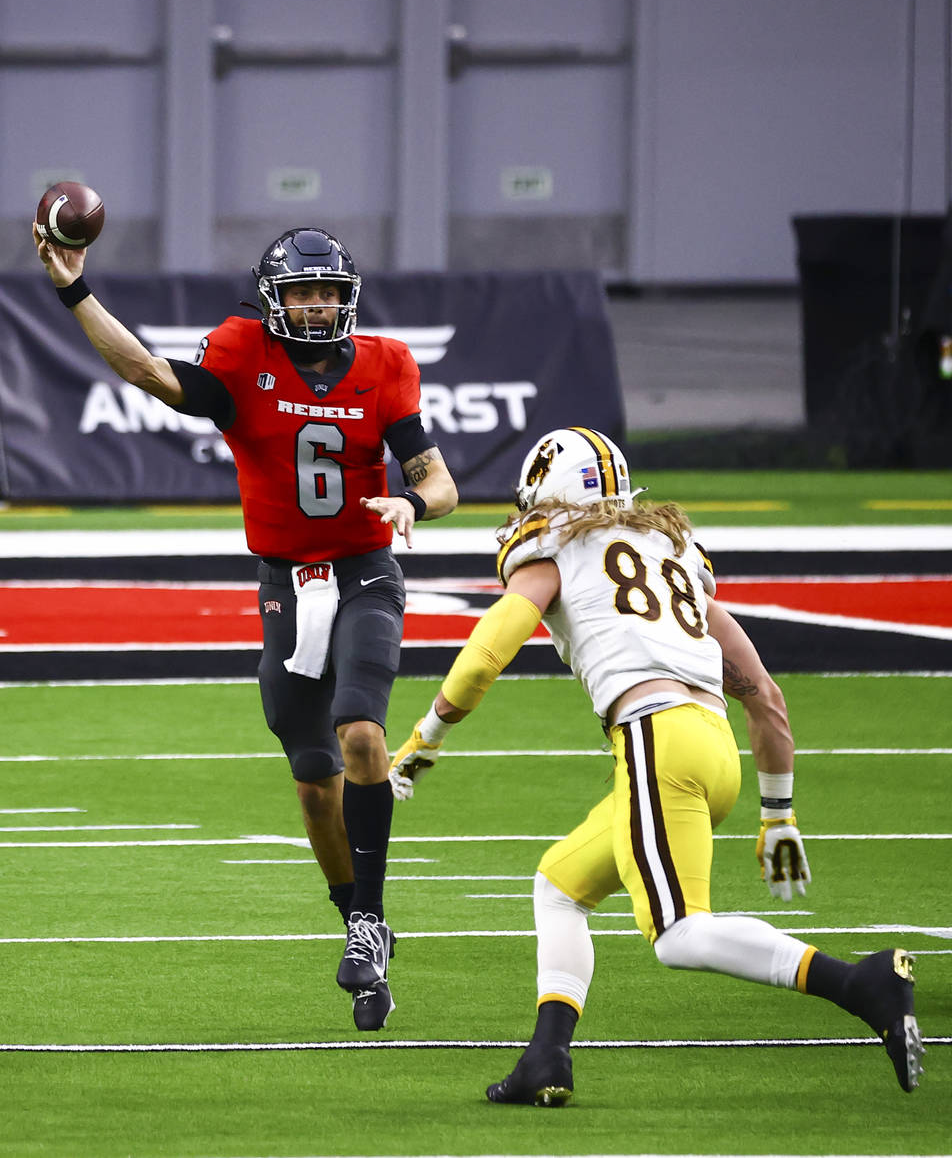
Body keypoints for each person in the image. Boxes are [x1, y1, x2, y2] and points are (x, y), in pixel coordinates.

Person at [389, 426, 924, 1101]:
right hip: (713, 747)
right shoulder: (669, 550)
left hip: (656, 738)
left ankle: (861, 982)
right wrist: (778, 811)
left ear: (551, 493)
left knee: (677, 935)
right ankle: (546, 1058)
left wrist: (425, 736)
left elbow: (489, 649)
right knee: (558, 885)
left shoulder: (556, 549)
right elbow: (764, 694)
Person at [33, 223, 458, 1030]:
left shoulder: (386, 363)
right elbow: (150, 373)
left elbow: (436, 477)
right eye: (303, 292)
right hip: (286, 585)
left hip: (367, 570)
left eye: (330, 291)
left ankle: (368, 921)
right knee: (311, 777)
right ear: (274, 300)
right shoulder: (240, 354)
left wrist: (415, 501)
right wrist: (75, 290)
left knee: (363, 734)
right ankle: (358, 921)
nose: (318, 305)